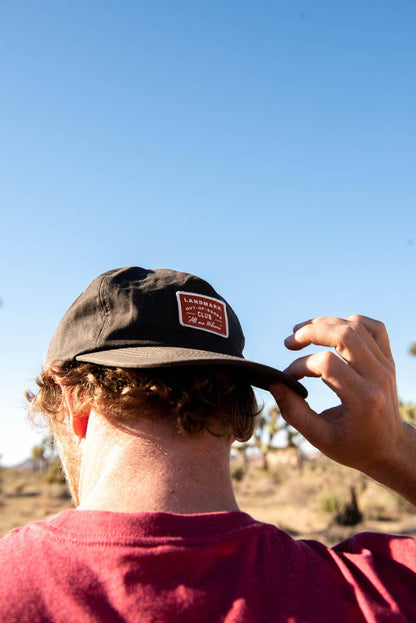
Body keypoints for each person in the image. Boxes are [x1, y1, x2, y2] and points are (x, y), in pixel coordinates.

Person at [0, 265, 415, 623]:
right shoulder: (374, 593)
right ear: (237, 409)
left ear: (74, 398)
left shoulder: (9, 586)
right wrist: (395, 450)